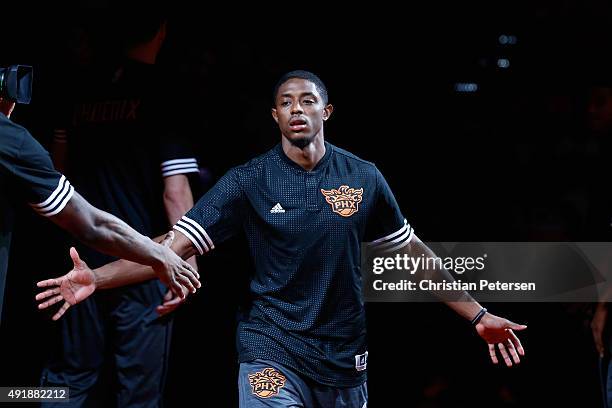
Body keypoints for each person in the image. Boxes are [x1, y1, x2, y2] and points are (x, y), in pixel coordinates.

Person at [38, 70, 526, 408]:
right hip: (269, 348)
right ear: (274, 116)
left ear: (326, 111)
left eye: (308, 100)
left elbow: (412, 256)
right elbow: (169, 249)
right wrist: (96, 279)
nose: (297, 109)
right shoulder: (248, 181)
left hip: (342, 357)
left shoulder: (364, 177)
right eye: (286, 102)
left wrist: (478, 314)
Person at [41, 15, 200, 407]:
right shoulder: (164, 91)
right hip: (146, 263)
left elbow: (56, 173)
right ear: (162, 29)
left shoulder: (76, 88)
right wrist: (189, 260)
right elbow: (175, 193)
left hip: (77, 260)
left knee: (67, 378)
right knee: (138, 395)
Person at [0, 84, 199, 326]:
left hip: (83, 261)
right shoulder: (11, 140)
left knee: (76, 364)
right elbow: (93, 223)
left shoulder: (74, 92)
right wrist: (166, 255)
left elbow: (59, 167)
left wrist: (96, 277)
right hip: (122, 261)